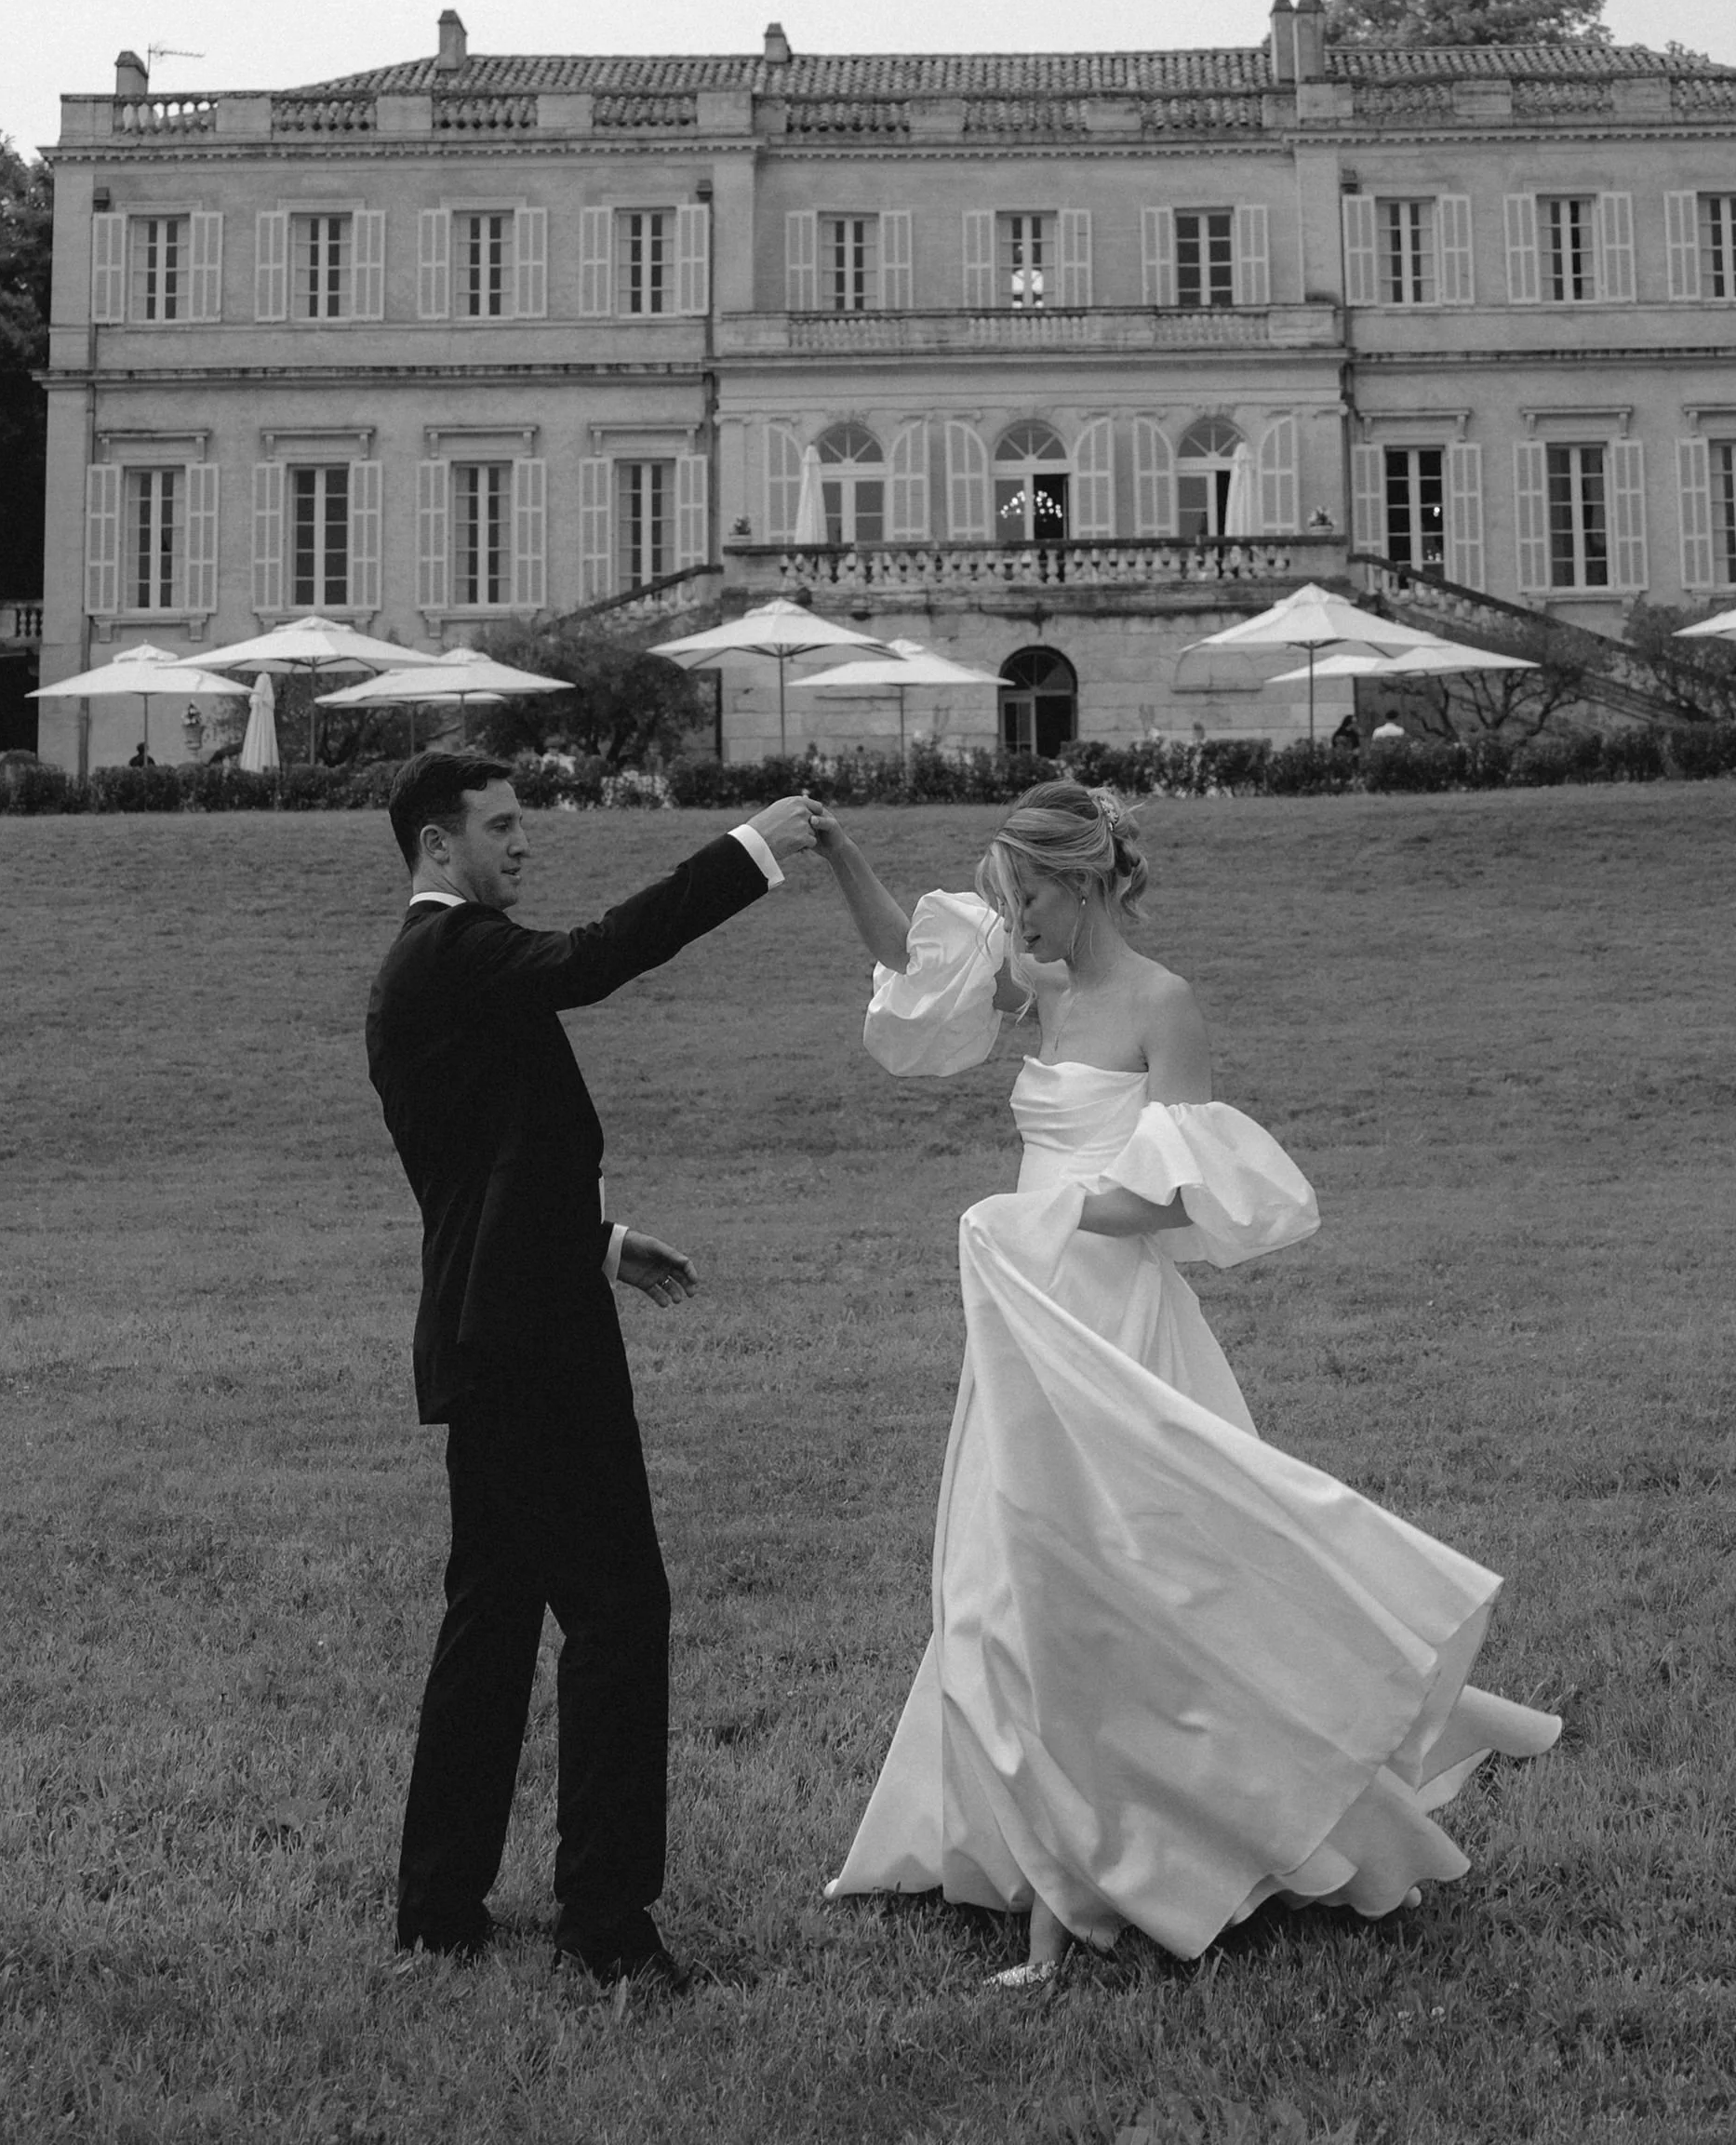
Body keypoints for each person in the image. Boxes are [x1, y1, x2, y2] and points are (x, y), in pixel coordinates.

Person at [810, 780, 1558, 1986]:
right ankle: (1050, 1877)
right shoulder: (1038, 980)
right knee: (1013, 1584)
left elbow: (1171, 1195)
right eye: (1006, 903)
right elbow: (914, 958)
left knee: (1165, 1589)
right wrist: (840, 851)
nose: (1017, 924)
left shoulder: (1165, 1006)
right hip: (1027, 1315)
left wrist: (1040, 1211)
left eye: (1030, 897)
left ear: (1088, 880)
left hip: (1114, 1323)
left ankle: (1198, 1841)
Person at [367, 748, 817, 1989]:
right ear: (434, 847)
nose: (523, 844)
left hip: (493, 1324)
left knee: (497, 1613)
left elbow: (483, 1163)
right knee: (619, 1613)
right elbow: (598, 959)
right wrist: (753, 850)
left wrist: (600, 1242)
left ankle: (439, 1903)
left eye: (523, 824)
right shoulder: (455, 954)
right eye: (500, 826)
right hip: (531, 1343)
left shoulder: (440, 972)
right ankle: (607, 1929)